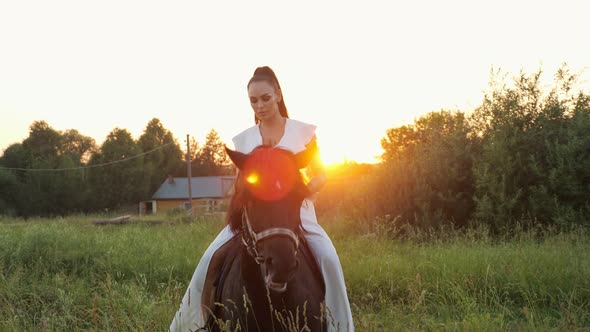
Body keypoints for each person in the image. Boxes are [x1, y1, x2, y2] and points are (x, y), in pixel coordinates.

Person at [169, 66, 354, 331]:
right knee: (208, 260)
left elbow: (321, 173)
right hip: (254, 217)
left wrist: (306, 191)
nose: (260, 105)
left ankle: (340, 327)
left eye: (265, 98)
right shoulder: (243, 141)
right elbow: (240, 185)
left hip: (296, 213)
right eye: (253, 100)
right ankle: (189, 325)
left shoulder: (303, 133)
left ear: (278, 94)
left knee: (329, 259)